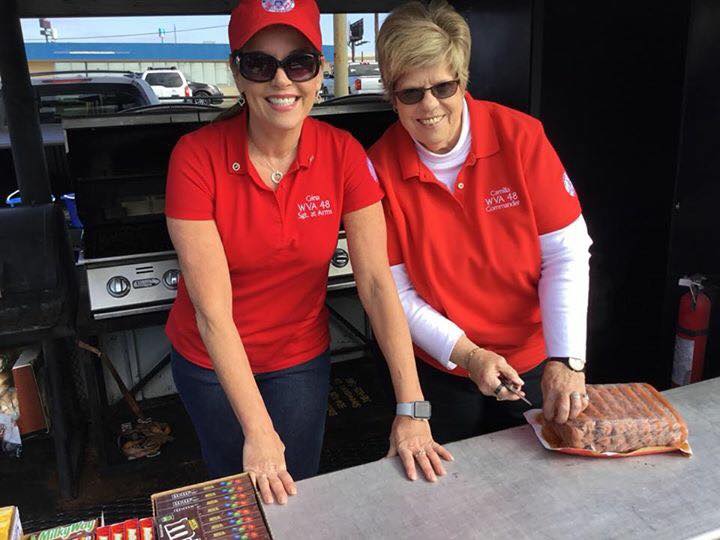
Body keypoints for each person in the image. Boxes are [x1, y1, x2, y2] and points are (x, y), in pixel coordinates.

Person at [164, 0, 450, 505]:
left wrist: (412, 408)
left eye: (298, 63)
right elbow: (212, 314)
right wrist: (258, 430)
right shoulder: (196, 157)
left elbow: (377, 285)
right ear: (238, 73)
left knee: (300, 493)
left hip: (297, 359)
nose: (282, 80)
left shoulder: (343, 154)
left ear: (319, 72)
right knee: (238, 493)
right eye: (260, 64)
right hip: (210, 363)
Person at [370, 0, 593, 444]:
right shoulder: (377, 167)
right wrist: (469, 355)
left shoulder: (520, 137)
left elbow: (565, 254)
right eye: (410, 93)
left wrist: (567, 359)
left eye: (443, 87)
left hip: (534, 360)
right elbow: (396, 292)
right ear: (392, 97)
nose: (429, 105)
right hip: (441, 364)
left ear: (462, 79)